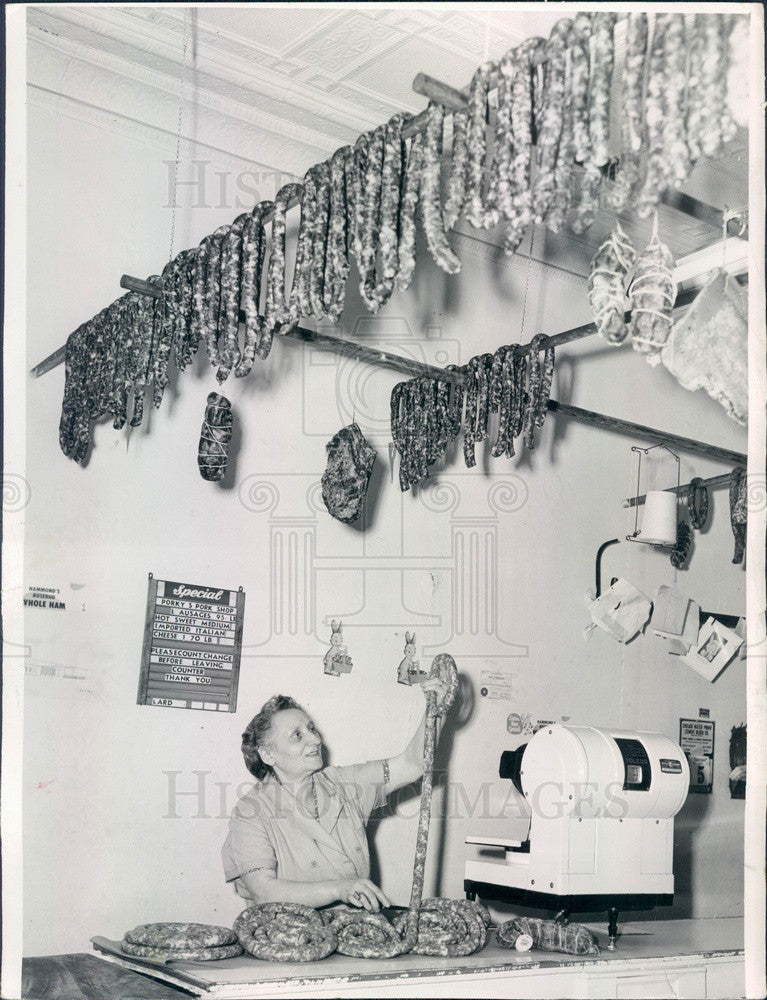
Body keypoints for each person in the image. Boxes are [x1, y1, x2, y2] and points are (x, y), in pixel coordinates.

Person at [222, 676, 450, 913]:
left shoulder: (343, 783)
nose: (315, 739)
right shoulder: (250, 811)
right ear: (268, 755)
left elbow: (411, 764)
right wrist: (338, 889)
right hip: (285, 936)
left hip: (354, 930)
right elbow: (264, 891)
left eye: (311, 728)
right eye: (297, 735)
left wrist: (435, 711)